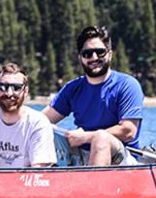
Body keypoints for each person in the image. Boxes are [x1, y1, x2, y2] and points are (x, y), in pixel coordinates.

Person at [42, 26, 144, 166]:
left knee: (101, 138)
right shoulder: (73, 88)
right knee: (38, 128)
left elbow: (128, 131)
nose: (94, 58)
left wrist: (87, 137)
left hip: (121, 159)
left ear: (110, 54)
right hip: (81, 155)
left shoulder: (127, 85)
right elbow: (41, 120)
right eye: (87, 54)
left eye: (100, 52)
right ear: (80, 58)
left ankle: (93, 185)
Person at [0, 63, 56, 167]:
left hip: (23, 182)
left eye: (16, 88)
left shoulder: (38, 124)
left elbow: (39, 171)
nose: (9, 93)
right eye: (3, 87)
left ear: (26, 91)